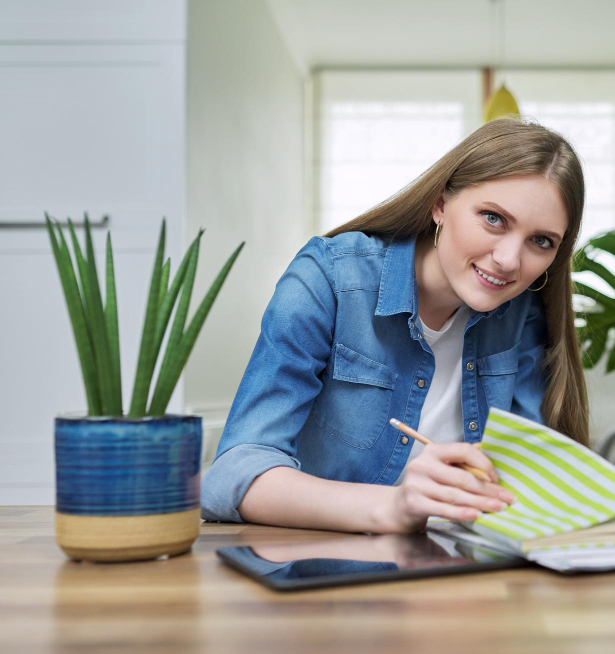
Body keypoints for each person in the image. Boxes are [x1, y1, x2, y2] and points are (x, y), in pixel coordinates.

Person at [201, 117, 589, 534]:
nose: (511, 260)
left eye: (541, 241)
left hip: (464, 572)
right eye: (493, 219)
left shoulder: (522, 311)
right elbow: (232, 474)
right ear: (440, 204)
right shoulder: (328, 278)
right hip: (323, 576)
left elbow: (529, 478)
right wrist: (394, 507)